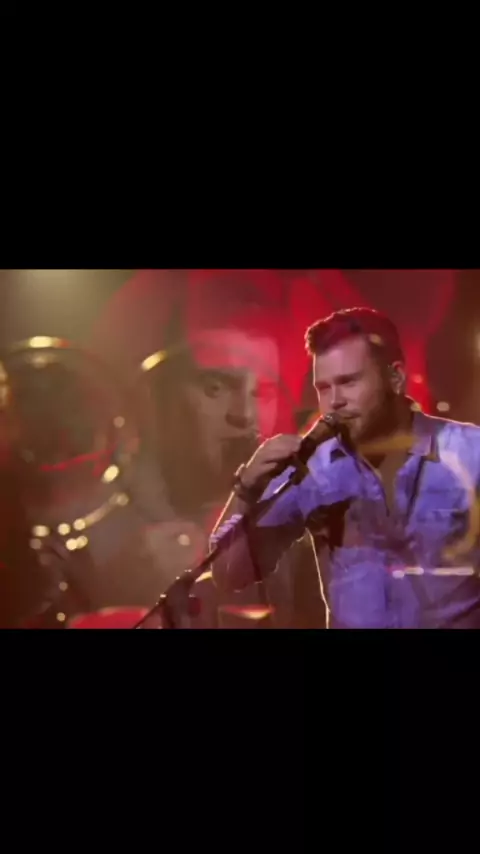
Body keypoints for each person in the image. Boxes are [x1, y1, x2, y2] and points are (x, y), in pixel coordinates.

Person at [209, 306, 480, 629]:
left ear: (395, 378)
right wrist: (247, 487)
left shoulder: (471, 452)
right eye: (323, 388)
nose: (334, 401)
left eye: (348, 382)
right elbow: (229, 574)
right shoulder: (312, 468)